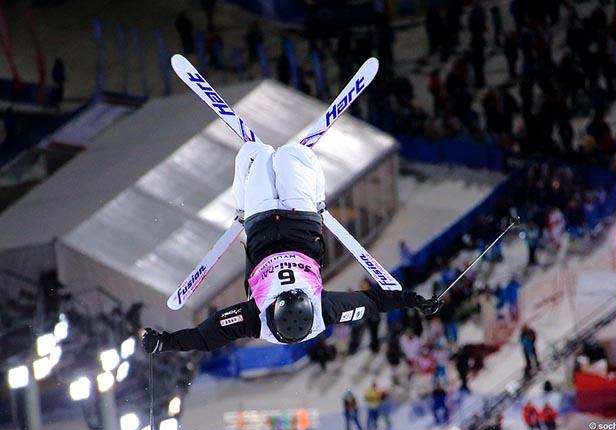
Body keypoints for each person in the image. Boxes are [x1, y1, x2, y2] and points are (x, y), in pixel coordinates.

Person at [142, 141, 442, 354]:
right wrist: (415, 300)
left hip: (260, 226)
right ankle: (314, 187)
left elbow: (206, 337)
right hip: (301, 223)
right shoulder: (326, 311)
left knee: (256, 155)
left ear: (271, 310)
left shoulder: (253, 320)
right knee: (291, 154)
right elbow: (375, 302)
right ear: (308, 303)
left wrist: (165, 342)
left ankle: (243, 195)